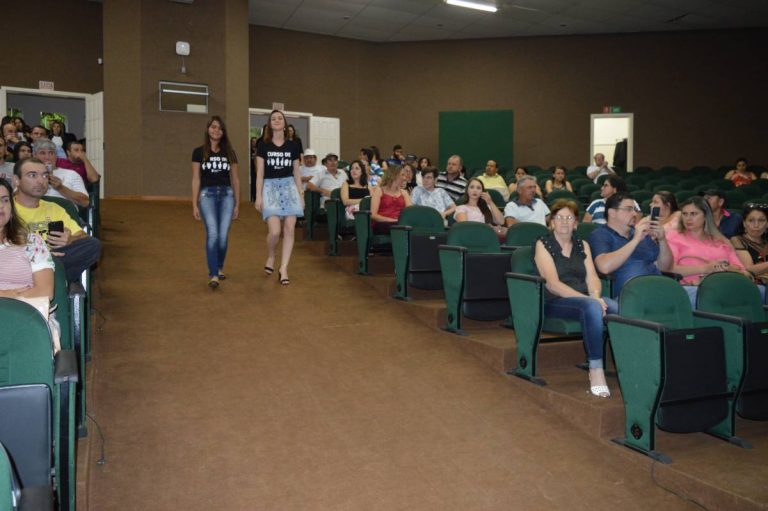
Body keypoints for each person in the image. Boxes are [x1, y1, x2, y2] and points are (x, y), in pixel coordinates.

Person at [533, 199, 618, 398]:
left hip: (585, 299)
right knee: (593, 307)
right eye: (559, 217)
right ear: (551, 222)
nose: (564, 221)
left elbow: (592, 277)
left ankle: (631, 363)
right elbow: (552, 284)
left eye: (569, 217)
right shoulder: (543, 244)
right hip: (554, 301)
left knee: (618, 308)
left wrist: (595, 296)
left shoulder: (583, 245)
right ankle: (595, 369)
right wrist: (591, 301)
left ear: (576, 223)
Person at [13, 158, 101, 283]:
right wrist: (43, 255)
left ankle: (50, 281)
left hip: (56, 260)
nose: (41, 181)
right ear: (16, 180)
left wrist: (70, 239)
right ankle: (54, 281)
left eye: (45, 175)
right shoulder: (6, 209)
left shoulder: (54, 208)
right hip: (20, 262)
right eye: (32, 175)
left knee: (92, 245)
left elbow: (83, 235)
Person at [666, 197, 748, 306]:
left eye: (693, 214)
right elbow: (670, 269)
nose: (688, 218)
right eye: (685, 214)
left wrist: (724, 268)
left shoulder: (721, 240)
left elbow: (741, 270)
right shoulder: (673, 237)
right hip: (692, 287)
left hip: (724, 285)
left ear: (705, 216)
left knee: (759, 291)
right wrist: (706, 268)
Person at [589, 192, 673, 298]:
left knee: (690, 292)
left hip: (659, 289)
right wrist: (635, 240)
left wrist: (662, 239)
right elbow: (604, 267)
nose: (634, 214)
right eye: (628, 209)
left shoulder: (639, 232)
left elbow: (665, 267)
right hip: (631, 298)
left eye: (634, 209)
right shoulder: (600, 235)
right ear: (612, 213)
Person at [255, 110, 304, 286]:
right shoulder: (263, 145)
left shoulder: (293, 146)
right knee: (275, 231)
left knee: (289, 228)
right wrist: (258, 196)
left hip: (289, 187)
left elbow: (297, 172)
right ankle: (271, 255)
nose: (277, 120)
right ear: (270, 124)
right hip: (270, 188)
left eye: (280, 118)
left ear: (285, 123)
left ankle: (284, 268)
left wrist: (301, 195)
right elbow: (260, 173)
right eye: (273, 118)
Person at [191, 115, 240, 289]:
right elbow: (196, 179)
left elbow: (235, 180)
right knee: (212, 233)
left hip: (227, 195)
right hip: (207, 196)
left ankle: (219, 267)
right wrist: (194, 203)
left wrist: (237, 204)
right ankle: (213, 274)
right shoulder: (198, 152)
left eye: (219, 128)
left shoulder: (230, 153)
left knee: (223, 236)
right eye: (213, 127)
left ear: (223, 132)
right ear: (208, 129)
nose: (216, 130)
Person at [0, 176, 54, 300]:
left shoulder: (32, 242)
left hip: (23, 310)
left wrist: (10, 297)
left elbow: (46, 292)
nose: (1, 205)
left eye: (5, 200)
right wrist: (7, 294)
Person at [33, 140, 89, 208]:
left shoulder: (71, 174)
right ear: (34, 156)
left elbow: (85, 202)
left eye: (51, 153)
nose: (47, 157)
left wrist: (61, 188)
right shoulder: (29, 175)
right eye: (42, 153)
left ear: (56, 156)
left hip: (65, 212)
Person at [731, 203, 768, 284]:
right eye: (751, 220)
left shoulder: (766, 241)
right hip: (754, 285)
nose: (756, 225)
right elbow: (749, 269)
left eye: (761, 220)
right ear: (744, 223)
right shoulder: (737, 240)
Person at [370, 164, 411, 234]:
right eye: (402, 175)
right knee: (400, 228)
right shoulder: (379, 191)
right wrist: (393, 220)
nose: (405, 178)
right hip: (383, 223)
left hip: (400, 223)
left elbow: (410, 212)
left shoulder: (404, 193)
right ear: (393, 176)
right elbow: (373, 215)